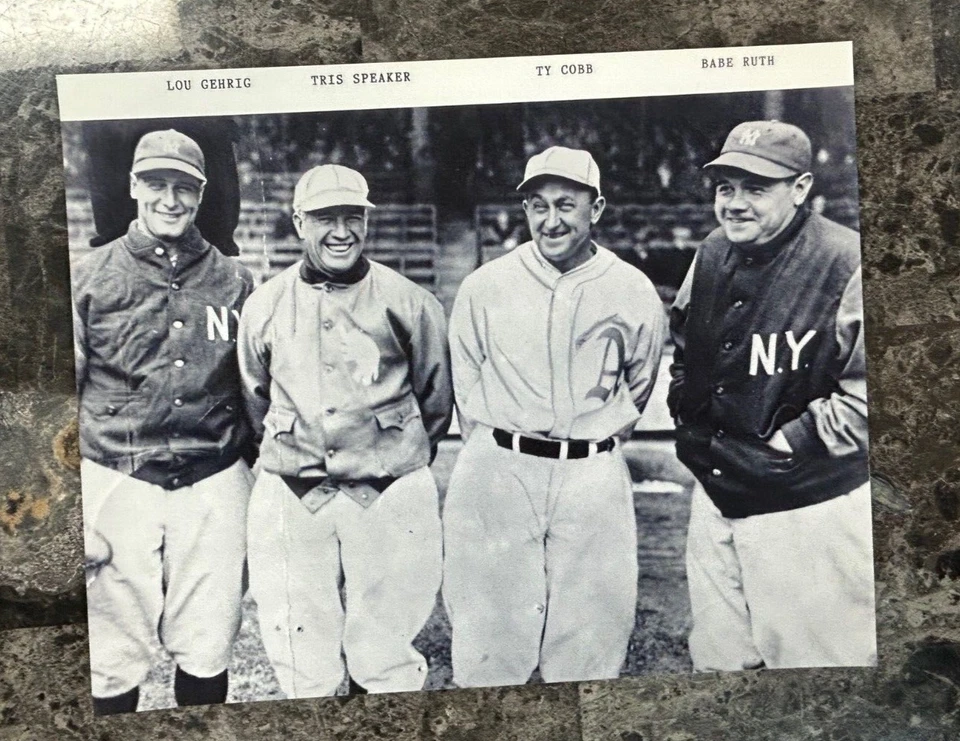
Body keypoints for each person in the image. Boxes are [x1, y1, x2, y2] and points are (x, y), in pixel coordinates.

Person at [443, 146, 665, 687]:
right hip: (500, 464)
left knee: (591, 635)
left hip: (591, 470)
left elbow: (638, 383)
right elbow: (466, 380)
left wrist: (591, 439)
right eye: (537, 205)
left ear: (598, 208)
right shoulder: (485, 285)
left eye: (566, 204)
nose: (550, 219)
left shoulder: (632, 288)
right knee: (488, 638)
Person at [667, 120, 876, 671]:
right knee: (721, 665)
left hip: (807, 507)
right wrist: (688, 413)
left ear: (801, 188)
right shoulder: (712, 252)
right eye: (725, 187)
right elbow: (686, 342)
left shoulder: (848, 260)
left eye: (756, 188)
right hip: (715, 497)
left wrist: (789, 444)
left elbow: (870, 398)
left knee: (818, 674)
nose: (734, 204)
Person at [237, 164, 452, 698]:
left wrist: (391, 458)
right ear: (297, 222)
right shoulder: (265, 304)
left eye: (352, 217)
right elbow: (253, 397)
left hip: (387, 489)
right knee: (301, 651)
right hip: (295, 488)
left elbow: (436, 401)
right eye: (324, 218)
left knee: (385, 658)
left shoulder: (408, 301)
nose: (341, 232)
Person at [72, 129, 255, 714]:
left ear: (201, 196)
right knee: (111, 652)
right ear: (132, 187)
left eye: (184, 187)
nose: (170, 200)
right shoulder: (88, 275)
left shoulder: (235, 280)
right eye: (156, 184)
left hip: (213, 480)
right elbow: (54, 402)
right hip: (117, 476)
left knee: (207, 642)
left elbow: (256, 388)